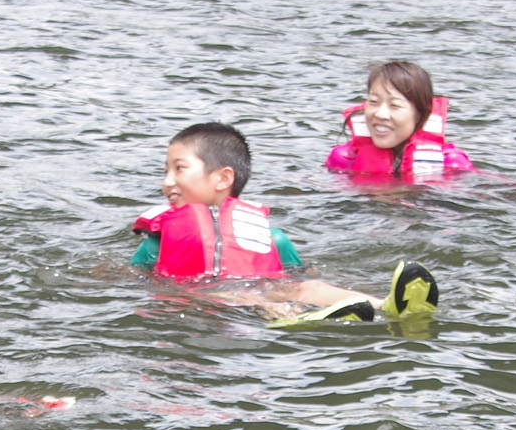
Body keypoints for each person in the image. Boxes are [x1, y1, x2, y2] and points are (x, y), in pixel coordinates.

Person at [131, 122, 438, 326]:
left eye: (178, 169)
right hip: (205, 304)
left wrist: (312, 283)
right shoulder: (157, 243)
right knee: (260, 297)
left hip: (262, 295)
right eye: (165, 171)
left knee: (306, 287)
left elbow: (300, 275)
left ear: (224, 178)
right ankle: (292, 315)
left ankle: (388, 305)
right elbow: (135, 279)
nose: (166, 182)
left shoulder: (273, 239)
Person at [324, 60, 476, 186]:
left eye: (395, 105)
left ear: (420, 114)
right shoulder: (344, 160)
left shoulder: (452, 164)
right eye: (373, 102)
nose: (380, 114)